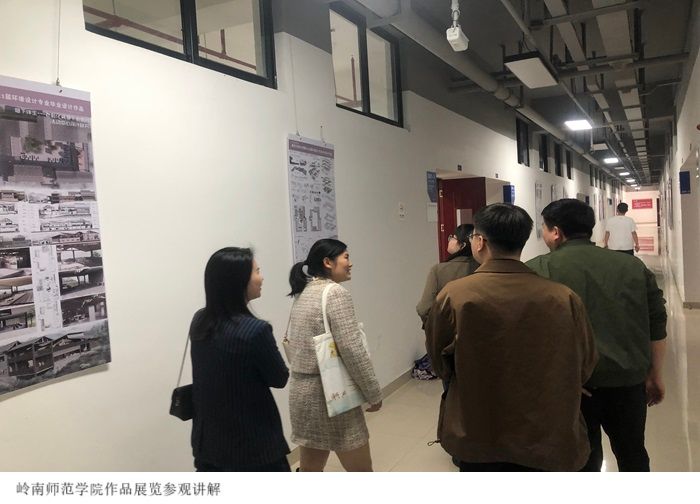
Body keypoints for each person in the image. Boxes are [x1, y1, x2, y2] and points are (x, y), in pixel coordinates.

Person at [425, 203, 597, 472]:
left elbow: (439, 360)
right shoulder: (563, 296)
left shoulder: (454, 295)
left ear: (480, 242)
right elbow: (585, 362)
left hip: (477, 426)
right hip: (544, 432)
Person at [527, 199, 667, 472]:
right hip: (627, 382)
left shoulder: (538, 269)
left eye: (543, 228)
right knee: (632, 453)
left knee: (582, 459)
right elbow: (657, 323)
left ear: (555, 232)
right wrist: (655, 374)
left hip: (572, 386)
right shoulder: (632, 266)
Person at [189, 247, 290, 472]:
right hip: (253, 446)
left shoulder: (200, 321)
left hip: (209, 443)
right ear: (239, 280)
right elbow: (279, 378)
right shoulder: (255, 330)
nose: (261, 278)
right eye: (257, 271)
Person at [286, 238, 382, 471]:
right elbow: (352, 349)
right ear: (328, 262)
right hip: (333, 395)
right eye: (346, 257)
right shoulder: (335, 293)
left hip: (302, 394)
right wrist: (373, 393)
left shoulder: (304, 292)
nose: (350, 263)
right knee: (362, 471)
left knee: (310, 469)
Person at [416, 224, 480, 325]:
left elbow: (424, 308)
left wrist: (436, 327)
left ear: (462, 245)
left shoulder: (438, 270)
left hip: (446, 330)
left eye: (453, 237)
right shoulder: (482, 267)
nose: (449, 240)